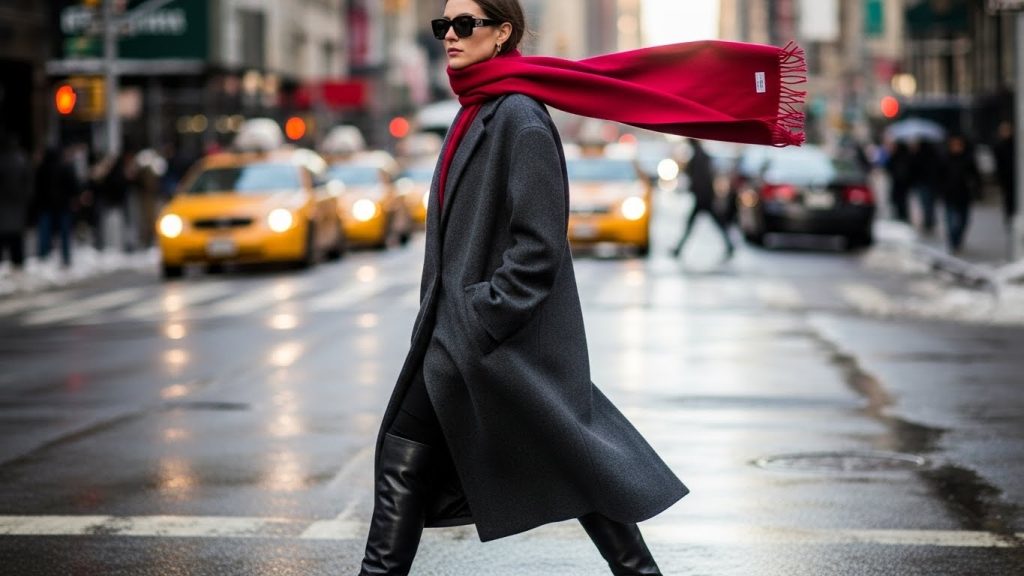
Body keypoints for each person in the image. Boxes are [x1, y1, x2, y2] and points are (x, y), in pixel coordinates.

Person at [358, 1, 806, 573]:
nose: (450, 35)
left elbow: (539, 247)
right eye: (443, 25)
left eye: (465, 24)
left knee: (547, 462)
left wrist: (481, 318)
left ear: (503, 33)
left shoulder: (518, 117)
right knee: (563, 463)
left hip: (485, 343)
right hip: (457, 339)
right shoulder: (480, 109)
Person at [670, 139, 735, 259]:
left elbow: (700, 178)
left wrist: (695, 189)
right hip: (704, 196)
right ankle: (729, 246)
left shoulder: (698, 157)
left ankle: (678, 249)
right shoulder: (701, 155)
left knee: (694, 224)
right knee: (714, 223)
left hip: (703, 197)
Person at [34, 146, 81, 268]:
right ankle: (65, 258)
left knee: (45, 232)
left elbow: (36, 188)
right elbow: (74, 186)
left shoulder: (42, 168)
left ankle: (43, 257)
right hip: (63, 205)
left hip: (45, 205)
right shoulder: (65, 167)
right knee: (64, 233)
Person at [940, 135, 979, 254]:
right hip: (949, 195)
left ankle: (957, 240)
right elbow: (938, 176)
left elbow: (975, 176)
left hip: (964, 195)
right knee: (951, 221)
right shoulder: (945, 158)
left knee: (963, 220)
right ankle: (953, 242)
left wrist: (976, 190)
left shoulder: (968, 159)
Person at [0, 135, 33, 271]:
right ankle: (18, 264)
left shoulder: (3, 160)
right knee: (16, 240)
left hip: (4, 207)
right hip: (17, 206)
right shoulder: (22, 160)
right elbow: (29, 185)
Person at [994, 121, 1017, 229]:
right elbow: (998, 164)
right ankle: (1009, 217)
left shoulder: (1015, 144)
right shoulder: (999, 146)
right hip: (1006, 178)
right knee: (1008, 199)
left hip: (1015, 177)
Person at [885, 140, 914, 223]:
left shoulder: (896, 156)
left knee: (899, 199)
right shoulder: (908, 156)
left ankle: (901, 215)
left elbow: (888, 167)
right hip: (904, 183)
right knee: (903, 200)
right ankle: (903, 215)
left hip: (898, 182)